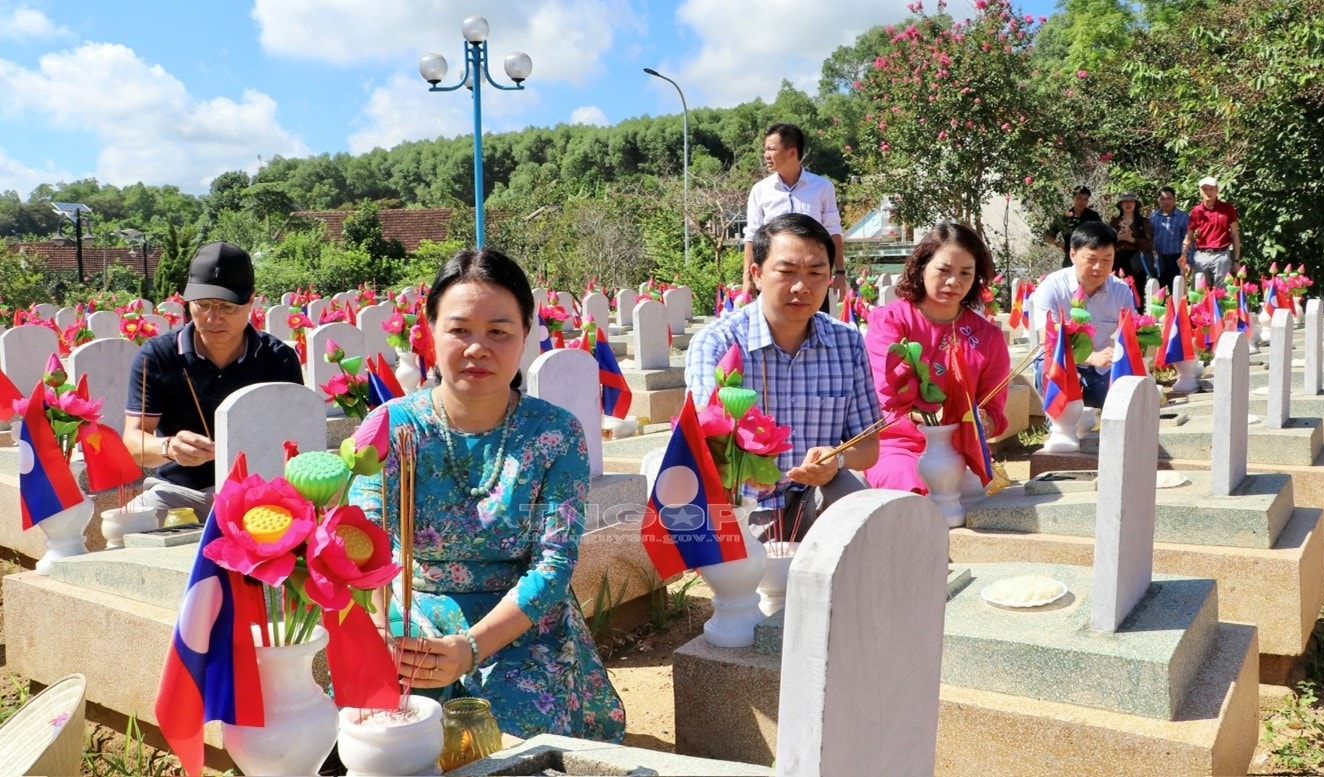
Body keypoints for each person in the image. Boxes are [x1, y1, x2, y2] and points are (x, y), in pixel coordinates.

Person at [351, 248, 624, 742]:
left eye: (499, 331)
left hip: (519, 622)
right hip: (410, 616)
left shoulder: (555, 433)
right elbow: (362, 542)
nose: (478, 348)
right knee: (392, 737)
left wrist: (471, 649)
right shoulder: (392, 427)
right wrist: (383, 630)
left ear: (524, 338)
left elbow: (553, 563)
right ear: (429, 333)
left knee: (511, 735)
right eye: (460, 330)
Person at [689, 212, 880, 541]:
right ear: (757, 274)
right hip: (740, 503)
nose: (802, 287)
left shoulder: (847, 343)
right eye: (787, 271)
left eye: (816, 272)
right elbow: (705, 442)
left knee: (859, 501)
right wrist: (748, 469)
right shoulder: (718, 343)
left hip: (816, 495)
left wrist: (836, 460)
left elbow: (868, 445)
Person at [122, 242, 302, 519]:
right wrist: (169, 448)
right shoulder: (157, 356)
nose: (213, 317)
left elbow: (296, 442)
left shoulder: (278, 359)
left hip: (260, 494)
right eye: (203, 305)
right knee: (124, 532)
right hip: (179, 492)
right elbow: (133, 444)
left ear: (251, 299)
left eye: (228, 307)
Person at [863, 223, 1011, 493]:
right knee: (912, 495)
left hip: (962, 452)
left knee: (977, 498)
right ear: (922, 267)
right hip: (897, 446)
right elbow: (888, 393)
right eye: (944, 270)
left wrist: (983, 420)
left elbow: (995, 408)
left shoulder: (988, 336)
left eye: (966, 273)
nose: (954, 282)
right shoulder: (891, 321)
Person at [1029, 222, 1137, 410]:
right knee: (1050, 373)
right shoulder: (1052, 287)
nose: (1099, 267)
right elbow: (1048, 341)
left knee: (1125, 404)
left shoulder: (1120, 291)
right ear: (1073, 255)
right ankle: (1058, 428)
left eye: (1107, 260)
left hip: (1100, 369)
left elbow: (1130, 336)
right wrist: (1091, 357)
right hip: (1058, 364)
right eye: (1091, 259)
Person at [742, 123, 847, 306]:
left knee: (816, 327)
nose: (766, 155)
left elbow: (833, 230)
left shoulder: (822, 187)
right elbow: (752, 236)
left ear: (792, 152)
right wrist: (746, 279)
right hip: (775, 276)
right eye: (765, 149)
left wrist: (840, 272)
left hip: (812, 278)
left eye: (772, 149)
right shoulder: (760, 190)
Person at [1182, 175, 1242, 286]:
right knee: (1200, 292)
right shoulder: (1196, 211)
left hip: (1222, 255)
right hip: (1201, 256)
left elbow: (1235, 235)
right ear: (1200, 191)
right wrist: (1183, 258)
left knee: (1223, 292)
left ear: (1217, 190)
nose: (1208, 192)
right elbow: (1188, 238)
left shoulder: (1227, 209)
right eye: (1204, 189)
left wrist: (1236, 260)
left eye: (1211, 189)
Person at [1111, 192, 1154, 302]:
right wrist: (1119, 238)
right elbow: (1107, 241)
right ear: (1121, 205)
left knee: (1137, 292)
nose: (1128, 204)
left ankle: (1137, 318)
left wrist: (1132, 239)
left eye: (1131, 201)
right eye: (1125, 201)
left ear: (1136, 204)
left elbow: (1149, 243)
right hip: (1118, 260)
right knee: (1116, 291)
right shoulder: (1115, 222)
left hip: (1137, 260)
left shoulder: (1143, 222)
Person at [1044, 186, 1101, 267]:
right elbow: (1047, 235)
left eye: (1085, 199)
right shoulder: (1064, 217)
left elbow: (1102, 234)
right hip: (1071, 258)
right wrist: (1057, 243)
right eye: (1079, 198)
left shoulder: (1093, 216)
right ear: (1073, 198)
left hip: (1089, 257)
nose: (1082, 201)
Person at [1149, 186, 1190, 288]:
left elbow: (1189, 240)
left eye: (1169, 198)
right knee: (1157, 294)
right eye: (1162, 199)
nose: (1165, 202)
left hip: (1176, 260)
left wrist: (1189, 261)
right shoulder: (1153, 218)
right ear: (1158, 200)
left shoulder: (1183, 217)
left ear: (1174, 199)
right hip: (1158, 260)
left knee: (1177, 292)